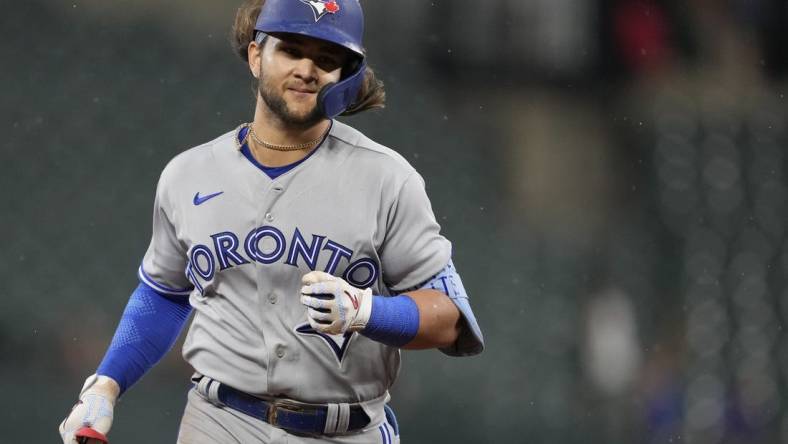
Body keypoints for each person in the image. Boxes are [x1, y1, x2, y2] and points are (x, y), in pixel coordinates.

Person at [58, 0, 484, 442]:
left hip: (345, 428)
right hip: (219, 420)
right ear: (256, 55)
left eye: (326, 59)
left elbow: (450, 317)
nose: (306, 69)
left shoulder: (387, 179)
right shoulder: (187, 175)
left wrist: (367, 311)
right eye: (291, 50)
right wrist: (106, 384)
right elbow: (165, 294)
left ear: (346, 76)